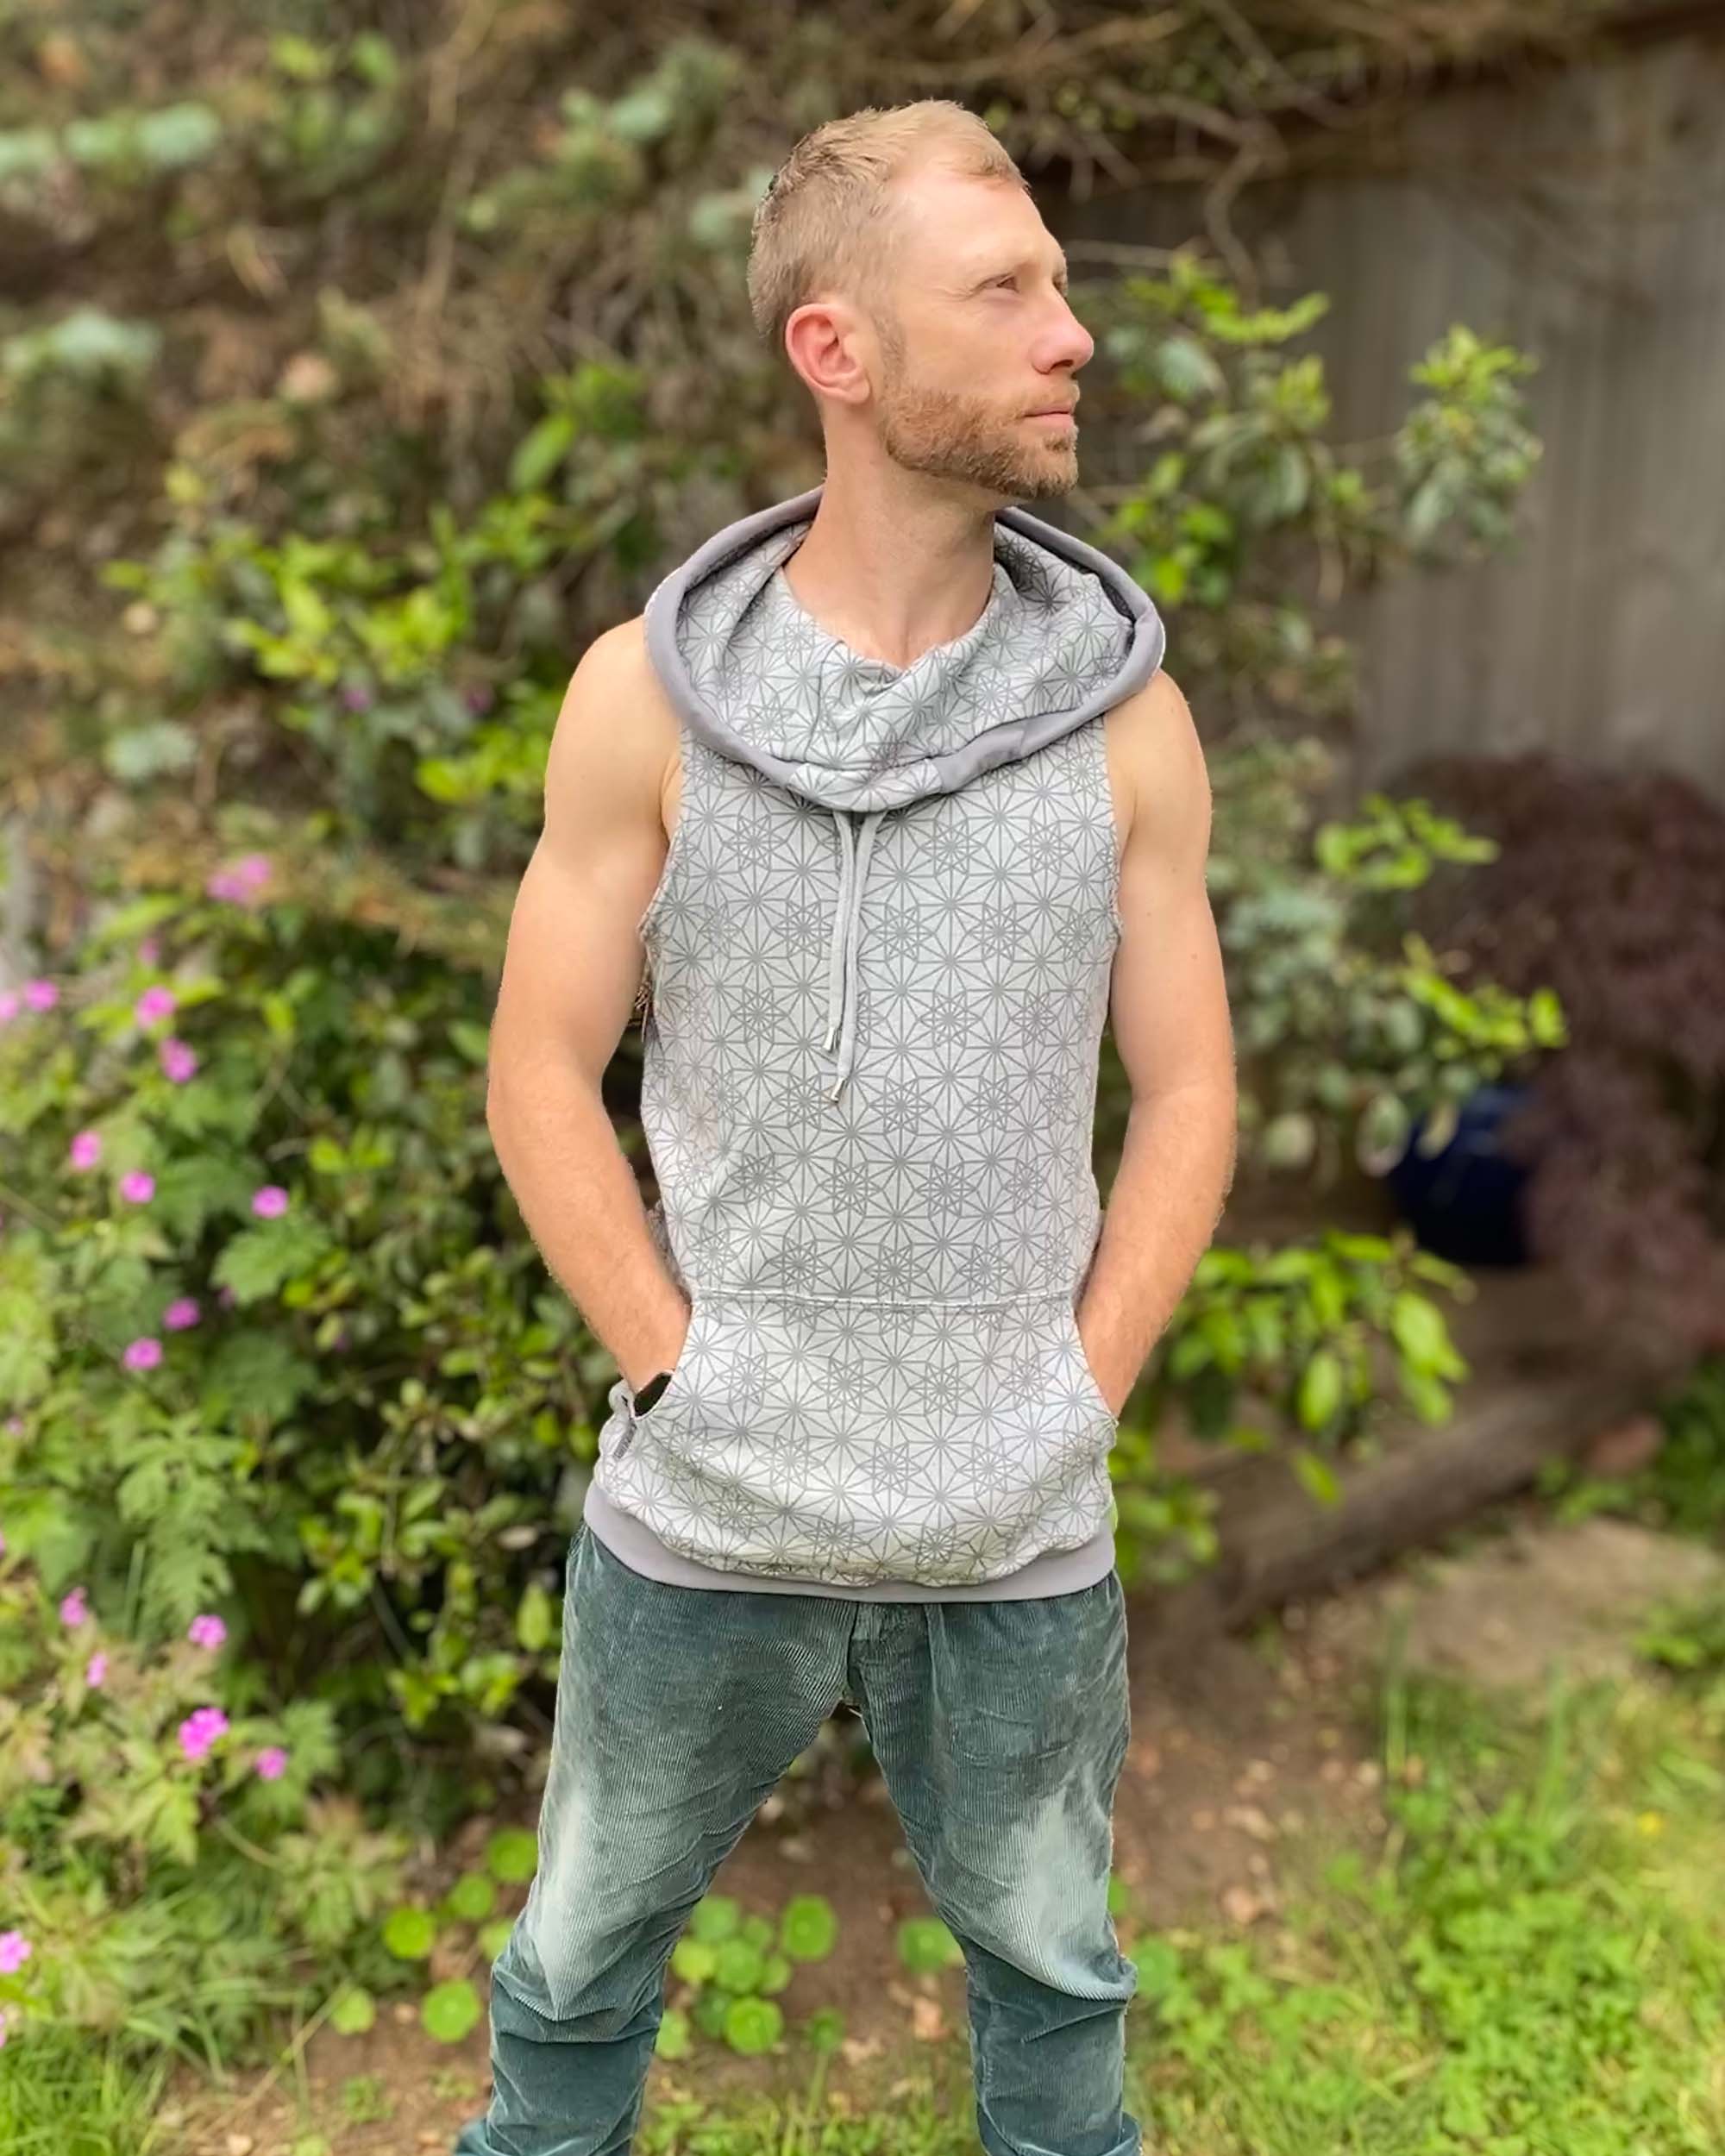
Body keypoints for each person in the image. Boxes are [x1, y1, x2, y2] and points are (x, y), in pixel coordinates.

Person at [457, 97, 1237, 2156]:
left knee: (1056, 1970)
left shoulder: (1127, 722)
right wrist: (674, 1368)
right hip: (706, 1499)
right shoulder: (642, 701)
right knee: (574, 1958)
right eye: (1005, 289)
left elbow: (1190, 1089)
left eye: (1057, 284)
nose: (1070, 331)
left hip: (1014, 1517)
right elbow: (537, 1066)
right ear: (839, 349)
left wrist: (1076, 1390)